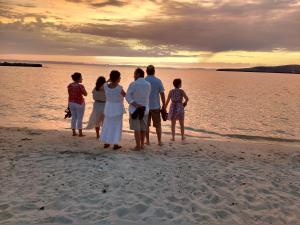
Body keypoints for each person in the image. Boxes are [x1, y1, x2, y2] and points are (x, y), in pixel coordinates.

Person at [126, 68, 151, 150]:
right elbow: (147, 96)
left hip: (135, 109)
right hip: (145, 109)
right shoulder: (148, 84)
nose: (133, 75)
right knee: (143, 128)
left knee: (137, 128)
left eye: (134, 74)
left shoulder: (133, 84)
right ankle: (142, 145)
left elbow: (127, 96)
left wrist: (135, 104)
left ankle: (138, 146)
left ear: (138, 74)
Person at [100, 70, 126, 150]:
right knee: (116, 126)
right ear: (118, 78)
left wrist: (109, 80)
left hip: (108, 107)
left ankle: (107, 142)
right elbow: (126, 96)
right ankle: (115, 144)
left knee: (107, 124)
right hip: (117, 108)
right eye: (119, 77)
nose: (120, 78)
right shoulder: (119, 88)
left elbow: (100, 88)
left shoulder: (105, 86)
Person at [145, 65, 166, 146]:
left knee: (146, 125)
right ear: (154, 71)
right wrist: (164, 105)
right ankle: (159, 141)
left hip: (146, 106)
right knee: (158, 125)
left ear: (146, 71)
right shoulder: (158, 81)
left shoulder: (144, 80)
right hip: (156, 106)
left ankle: (148, 141)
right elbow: (162, 94)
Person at [67, 72, 87, 137]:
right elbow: (85, 94)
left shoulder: (69, 85)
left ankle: (74, 132)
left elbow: (69, 94)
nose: (82, 79)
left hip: (71, 103)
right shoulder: (80, 86)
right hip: (79, 103)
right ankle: (80, 133)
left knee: (74, 118)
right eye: (81, 77)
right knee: (80, 118)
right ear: (78, 78)